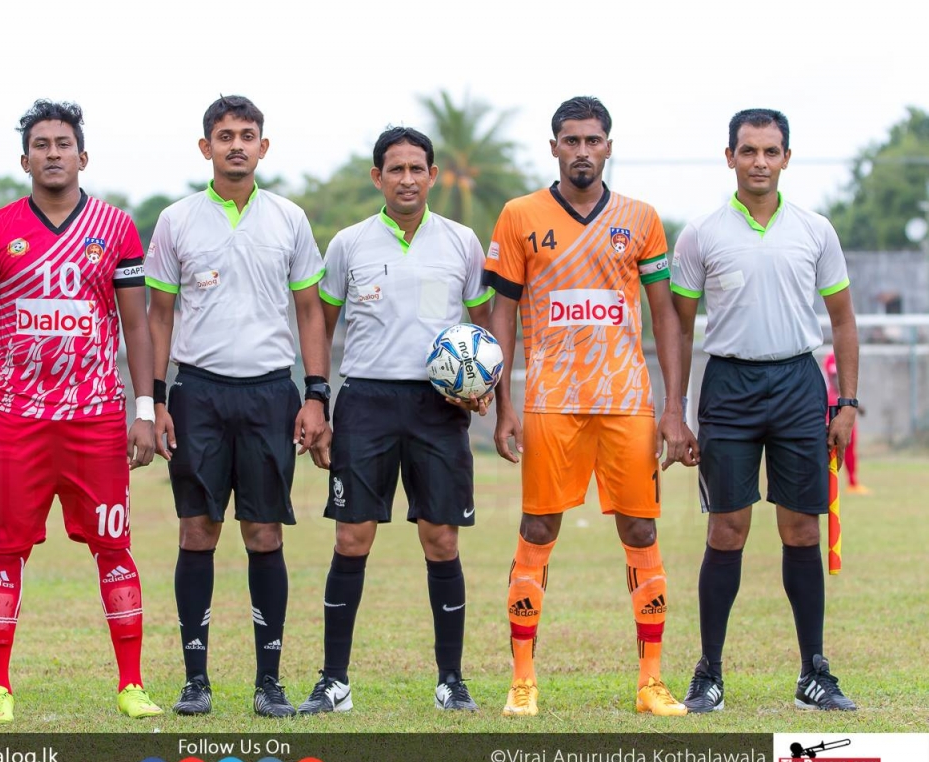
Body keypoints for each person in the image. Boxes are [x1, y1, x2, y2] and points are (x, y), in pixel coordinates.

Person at [485, 96, 698, 718]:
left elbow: (664, 315)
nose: (582, 151)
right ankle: (522, 681)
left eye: (593, 140)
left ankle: (651, 682)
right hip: (550, 400)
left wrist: (674, 408)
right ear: (554, 146)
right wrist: (503, 403)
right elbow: (502, 313)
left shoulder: (641, 218)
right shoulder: (519, 215)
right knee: (537, 529)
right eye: (571, 140)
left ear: (608, 146)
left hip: (626, 401)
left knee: (641, 530)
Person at [0, 99, 162, 723]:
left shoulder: (116, 226)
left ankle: (131, 683)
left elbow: (136, 325)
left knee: (114, 546)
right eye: (40, 145)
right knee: (6, 550)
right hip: (18, 419)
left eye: (62, 143)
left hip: (95, 418)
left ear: (82, 156)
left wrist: (145, 408)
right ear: (25, 160)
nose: (52, 153)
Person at [296, 127, 493, 715]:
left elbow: (483, 325)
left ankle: (451, 681)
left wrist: (485, 385)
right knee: (351, 537)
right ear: (377, 177)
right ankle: (334, 683)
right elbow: (321, 324)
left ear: (432, 175)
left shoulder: (461, 242)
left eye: (417, 168)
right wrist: (317, 399)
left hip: (439, 408)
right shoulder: (349, 244)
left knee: (441, 539)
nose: (407, 179)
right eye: (396, 169)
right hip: (367, 402)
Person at [146, 95, 331, 718]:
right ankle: (195, 680)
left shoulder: (289, 219)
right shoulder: (177, 220)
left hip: (270, 393)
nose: (236, 145)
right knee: (197, 530)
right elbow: (159, 315)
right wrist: (155, 400)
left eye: (247, 135)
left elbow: (310, 311)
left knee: (264, 532)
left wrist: (316, 395)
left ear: (263, 146)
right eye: (224, 136)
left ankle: (268, 682)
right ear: (206, 147)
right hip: (197, 393)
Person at [672, 108, 859, 713]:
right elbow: (679, 329)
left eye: (770, 151)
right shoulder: (700, 234)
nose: (759, 162)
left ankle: (814, 673)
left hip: (798, 383)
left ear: (786, 158)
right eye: (748, 150)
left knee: (801, 529)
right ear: (729, 157)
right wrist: (675, 411)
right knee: (727, 529)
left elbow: (843, 321)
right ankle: (709, 673)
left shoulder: (815, 230)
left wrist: (847, 403)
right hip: (728, 385)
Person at [823, 352, 868, 493]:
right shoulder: (826, 394)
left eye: (838, 376)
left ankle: (853, 482)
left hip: (847, 422)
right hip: (831, 423)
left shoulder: (844, 394)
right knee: (827, 453)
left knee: (850, 450)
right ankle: (824, 484)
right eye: (833, 376)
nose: (836, 380)